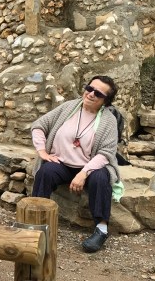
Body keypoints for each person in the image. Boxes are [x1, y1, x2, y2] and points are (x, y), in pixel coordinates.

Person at [30, 76, 122, 253]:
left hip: (90, 166)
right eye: (89, 88)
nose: (91, 94)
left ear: (105, 100)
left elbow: (106, 153)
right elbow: (39, 125)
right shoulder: (68, 107)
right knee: (46, 172)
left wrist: (83, 173)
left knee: (101, 178)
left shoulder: (109, 120)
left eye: (98, 93)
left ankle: (101, 229)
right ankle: (36, 222)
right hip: (62, 163)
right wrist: (42, 151)